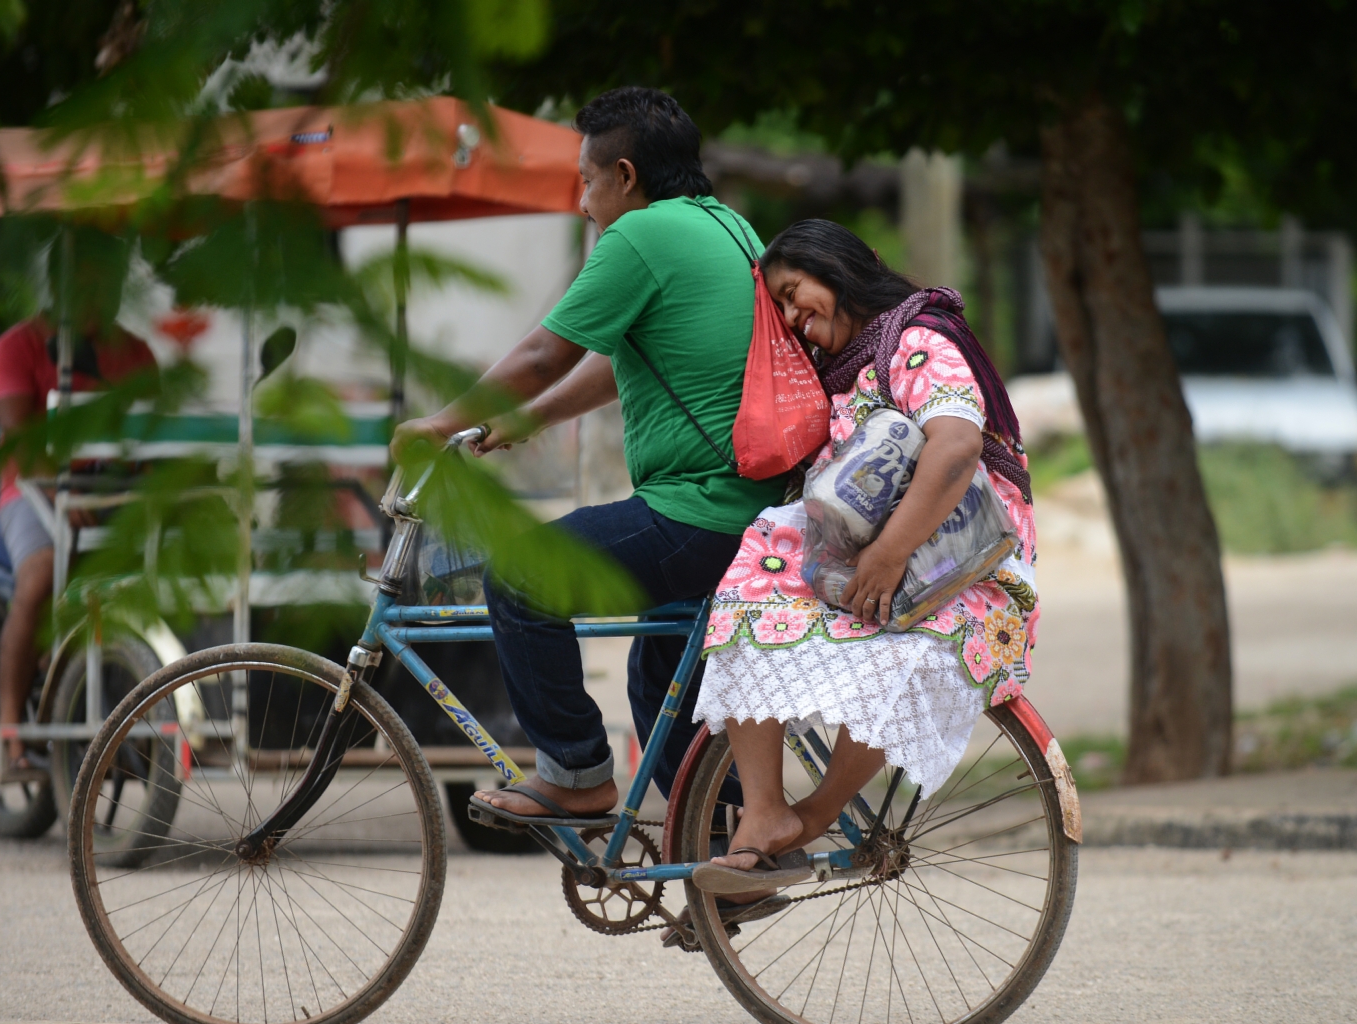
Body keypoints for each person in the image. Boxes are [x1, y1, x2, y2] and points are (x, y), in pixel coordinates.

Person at [390, 87, 785, 821]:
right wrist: (526, 418)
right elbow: (622, 360)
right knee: (657, 685)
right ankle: (729, 850)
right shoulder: (728, 227)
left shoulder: (641, 237)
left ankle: (575, 775)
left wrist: (441, 422)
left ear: (626, 176)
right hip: (754, 514)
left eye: (586, 181)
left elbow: (545, 351)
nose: (582, 203)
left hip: (699, 511)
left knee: (519, 576)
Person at [689, 219, 1039, 893]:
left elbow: (957, 447)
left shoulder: (916, 340)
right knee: (749, 590)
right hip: (888, 559)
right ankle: (762, 813)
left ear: (837, 269)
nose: (794, 317)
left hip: (964, 569)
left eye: (796, 293)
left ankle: (813, 815)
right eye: (783, 308)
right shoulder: (850, 370)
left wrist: (886, 555)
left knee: (899, 661)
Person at [0, 295, 156, 782]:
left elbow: (151, 435)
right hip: (32, 492)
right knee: (39, 577)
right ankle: (11, 730)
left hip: (112, 497)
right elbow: (20, 438)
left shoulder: (136, 352)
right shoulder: (15, 349)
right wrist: (63, 490)